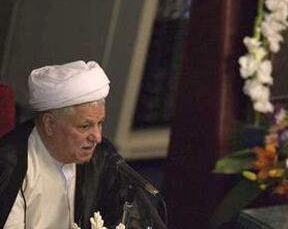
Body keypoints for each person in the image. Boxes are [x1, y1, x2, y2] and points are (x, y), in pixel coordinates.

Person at [0, 60, 165, 228]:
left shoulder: (102, 157)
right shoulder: (10, 166)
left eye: (100, 123)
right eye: (85, 126)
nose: (97, 138)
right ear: (49, 124)